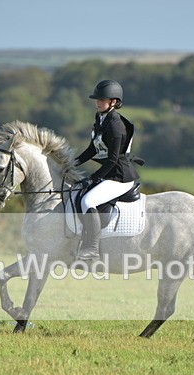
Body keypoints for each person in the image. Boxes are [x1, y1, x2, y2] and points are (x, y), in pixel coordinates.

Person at [72, 79, 140, 261]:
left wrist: (93, 178)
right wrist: (71, 163)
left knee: (87, 201)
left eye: (102, 100)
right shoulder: (100, 119)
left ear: (114, 102)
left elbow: (113, 159)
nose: (98, 102)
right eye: (97, 99)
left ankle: (92, 248)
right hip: (110, 175)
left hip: (120, 178)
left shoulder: (116, 126)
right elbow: (93, 149)